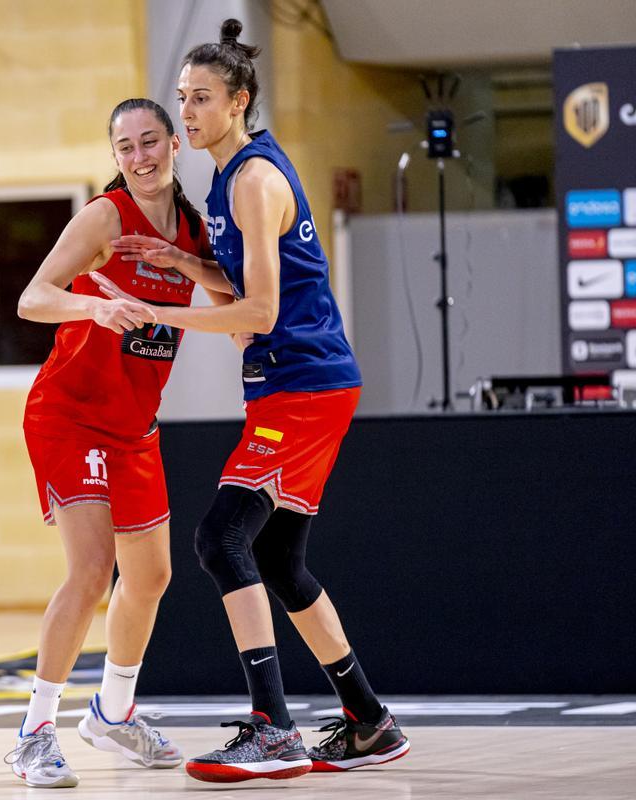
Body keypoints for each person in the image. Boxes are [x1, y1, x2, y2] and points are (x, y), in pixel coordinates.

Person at [97, 18, 410, 784]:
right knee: (275, 555)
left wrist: (163, 309)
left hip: (303, 383)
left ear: (238, 101)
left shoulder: (256, 180)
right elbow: (240, 288)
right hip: (299, 382)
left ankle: (273, 726)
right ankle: (369, 720)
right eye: (183, 98)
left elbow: (260, 313)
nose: (188, 112)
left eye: (200, 98)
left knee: (218, 539)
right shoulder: (228, 177)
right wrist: (181, 260)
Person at [5, 97, 217, 789]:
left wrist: (193, 271)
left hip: (133, 425)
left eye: (149, 141)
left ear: (174, 145)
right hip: (69, 413)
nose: (139, 157)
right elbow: (33, 297)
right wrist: (94, 306)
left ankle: (112, 713)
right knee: (93, 570)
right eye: (125, 147)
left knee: (151, 577)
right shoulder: (104, 217)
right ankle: (36, 732)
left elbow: (227, 290)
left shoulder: (191, 229)